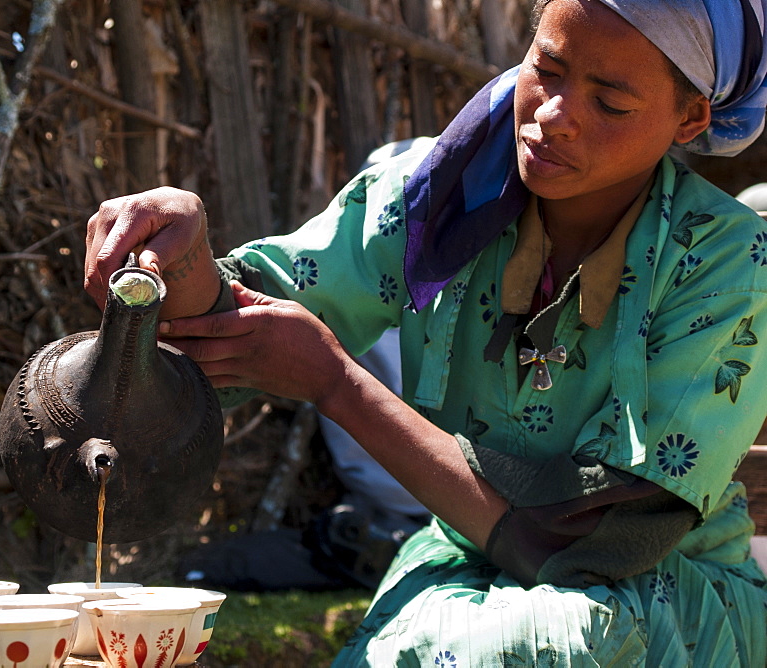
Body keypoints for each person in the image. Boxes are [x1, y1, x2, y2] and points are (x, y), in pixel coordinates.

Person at [84, 0, 767, 664]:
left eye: (610, 102)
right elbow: (238, 319)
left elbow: (593, 544)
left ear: (689, 117)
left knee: (526, 646)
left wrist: (337, 384)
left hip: (657, 599)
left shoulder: (728, 263)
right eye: (546, 69)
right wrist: (179, 254)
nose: (554, 117)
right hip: (464, 574)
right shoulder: (440, 201)